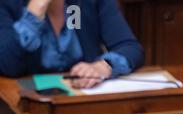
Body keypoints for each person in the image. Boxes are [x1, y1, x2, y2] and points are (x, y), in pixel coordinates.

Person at [0, 0, 144, 88]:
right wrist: (35, 11)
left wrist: (103, 67)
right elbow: (7, 64)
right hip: (26, 107)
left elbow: (130, 47)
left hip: (82, 101)